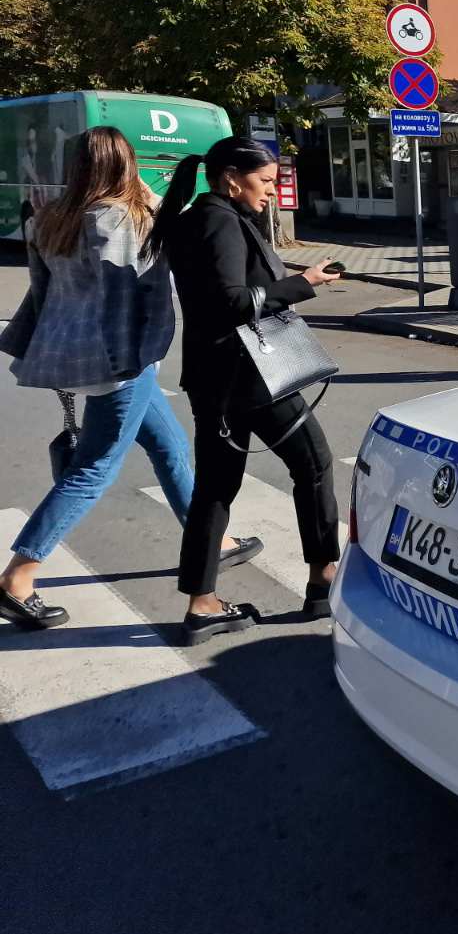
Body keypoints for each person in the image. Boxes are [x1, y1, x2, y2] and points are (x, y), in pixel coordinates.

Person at [0, 127, 259, 631]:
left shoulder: (52, 219)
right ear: (127, 166)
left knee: (168, 446)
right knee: (93, 468)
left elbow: (42, 291)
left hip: (84, 356)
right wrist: (142, 357)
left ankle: (214, 542)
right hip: (122, 361)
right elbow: (137, 293)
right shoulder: (125, 220)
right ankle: (18, 575)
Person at [148, 137, 344, 644]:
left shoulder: (193, 219)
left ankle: (201, 604)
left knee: (215, 488)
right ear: (232, 177)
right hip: (251, 375)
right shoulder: (219, 220)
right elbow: (233, 302)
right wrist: (304, 282)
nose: (270, 193)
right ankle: (323, 577)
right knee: (315, 464)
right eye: (263, 182)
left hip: (214, 376)